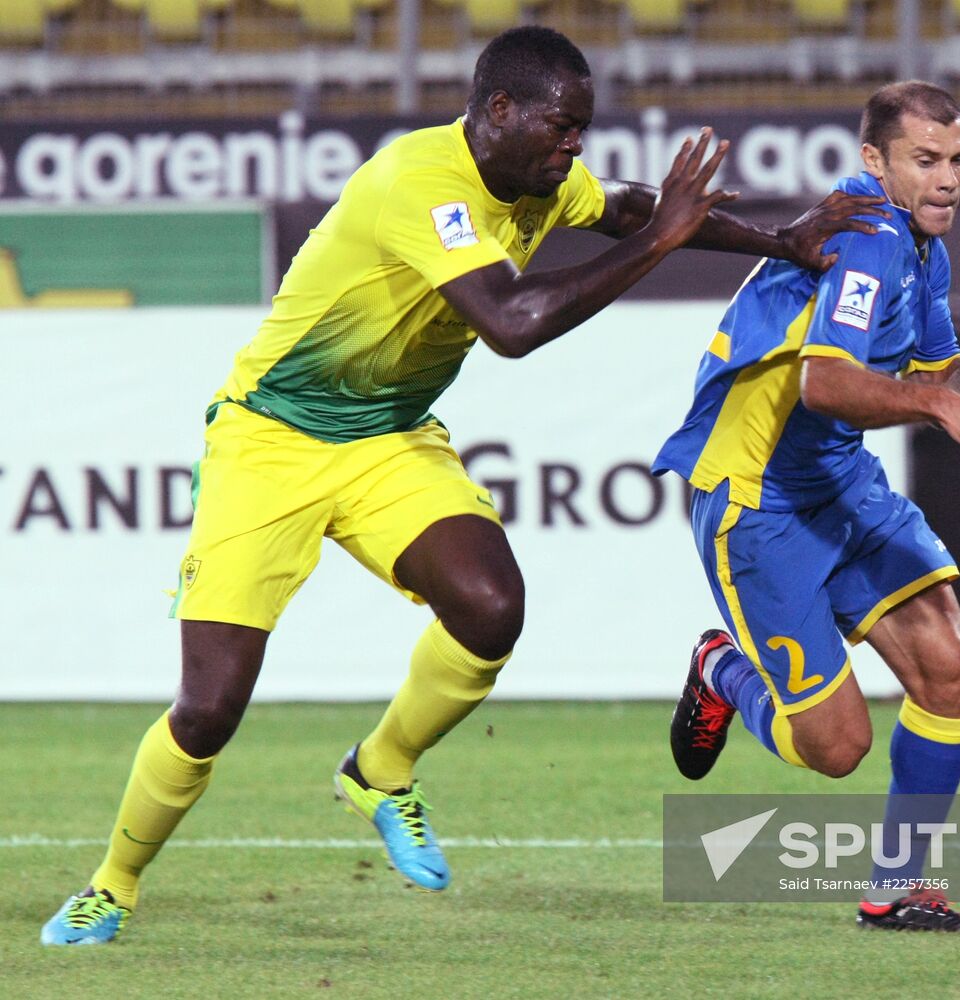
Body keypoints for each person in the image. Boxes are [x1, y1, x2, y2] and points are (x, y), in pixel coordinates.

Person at [41, 26, 886, 946]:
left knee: (490, 607)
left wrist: (780, 239)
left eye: (582, 131)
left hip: (387, 440)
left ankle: (380, 770)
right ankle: (113, 885)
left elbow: (631, 206)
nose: (575, 149)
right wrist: (660, 243)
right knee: (208, 709)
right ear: (499, 111)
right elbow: (512, 324)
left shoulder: (540, 179)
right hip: (269, 442)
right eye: (562, 128)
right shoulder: (421, 183)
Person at [655, 80, 960, 932]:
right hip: (757, 500)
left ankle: (898, 889)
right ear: (874, 161)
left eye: (958, 162)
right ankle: (722, 667)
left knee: (952, 675)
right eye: (925, 161)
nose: (947, 180)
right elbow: (823, 384)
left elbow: (928, 392)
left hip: (840, 481)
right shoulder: (866, 235)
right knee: (834, 749)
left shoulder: (923, 247)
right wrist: (943, 404)